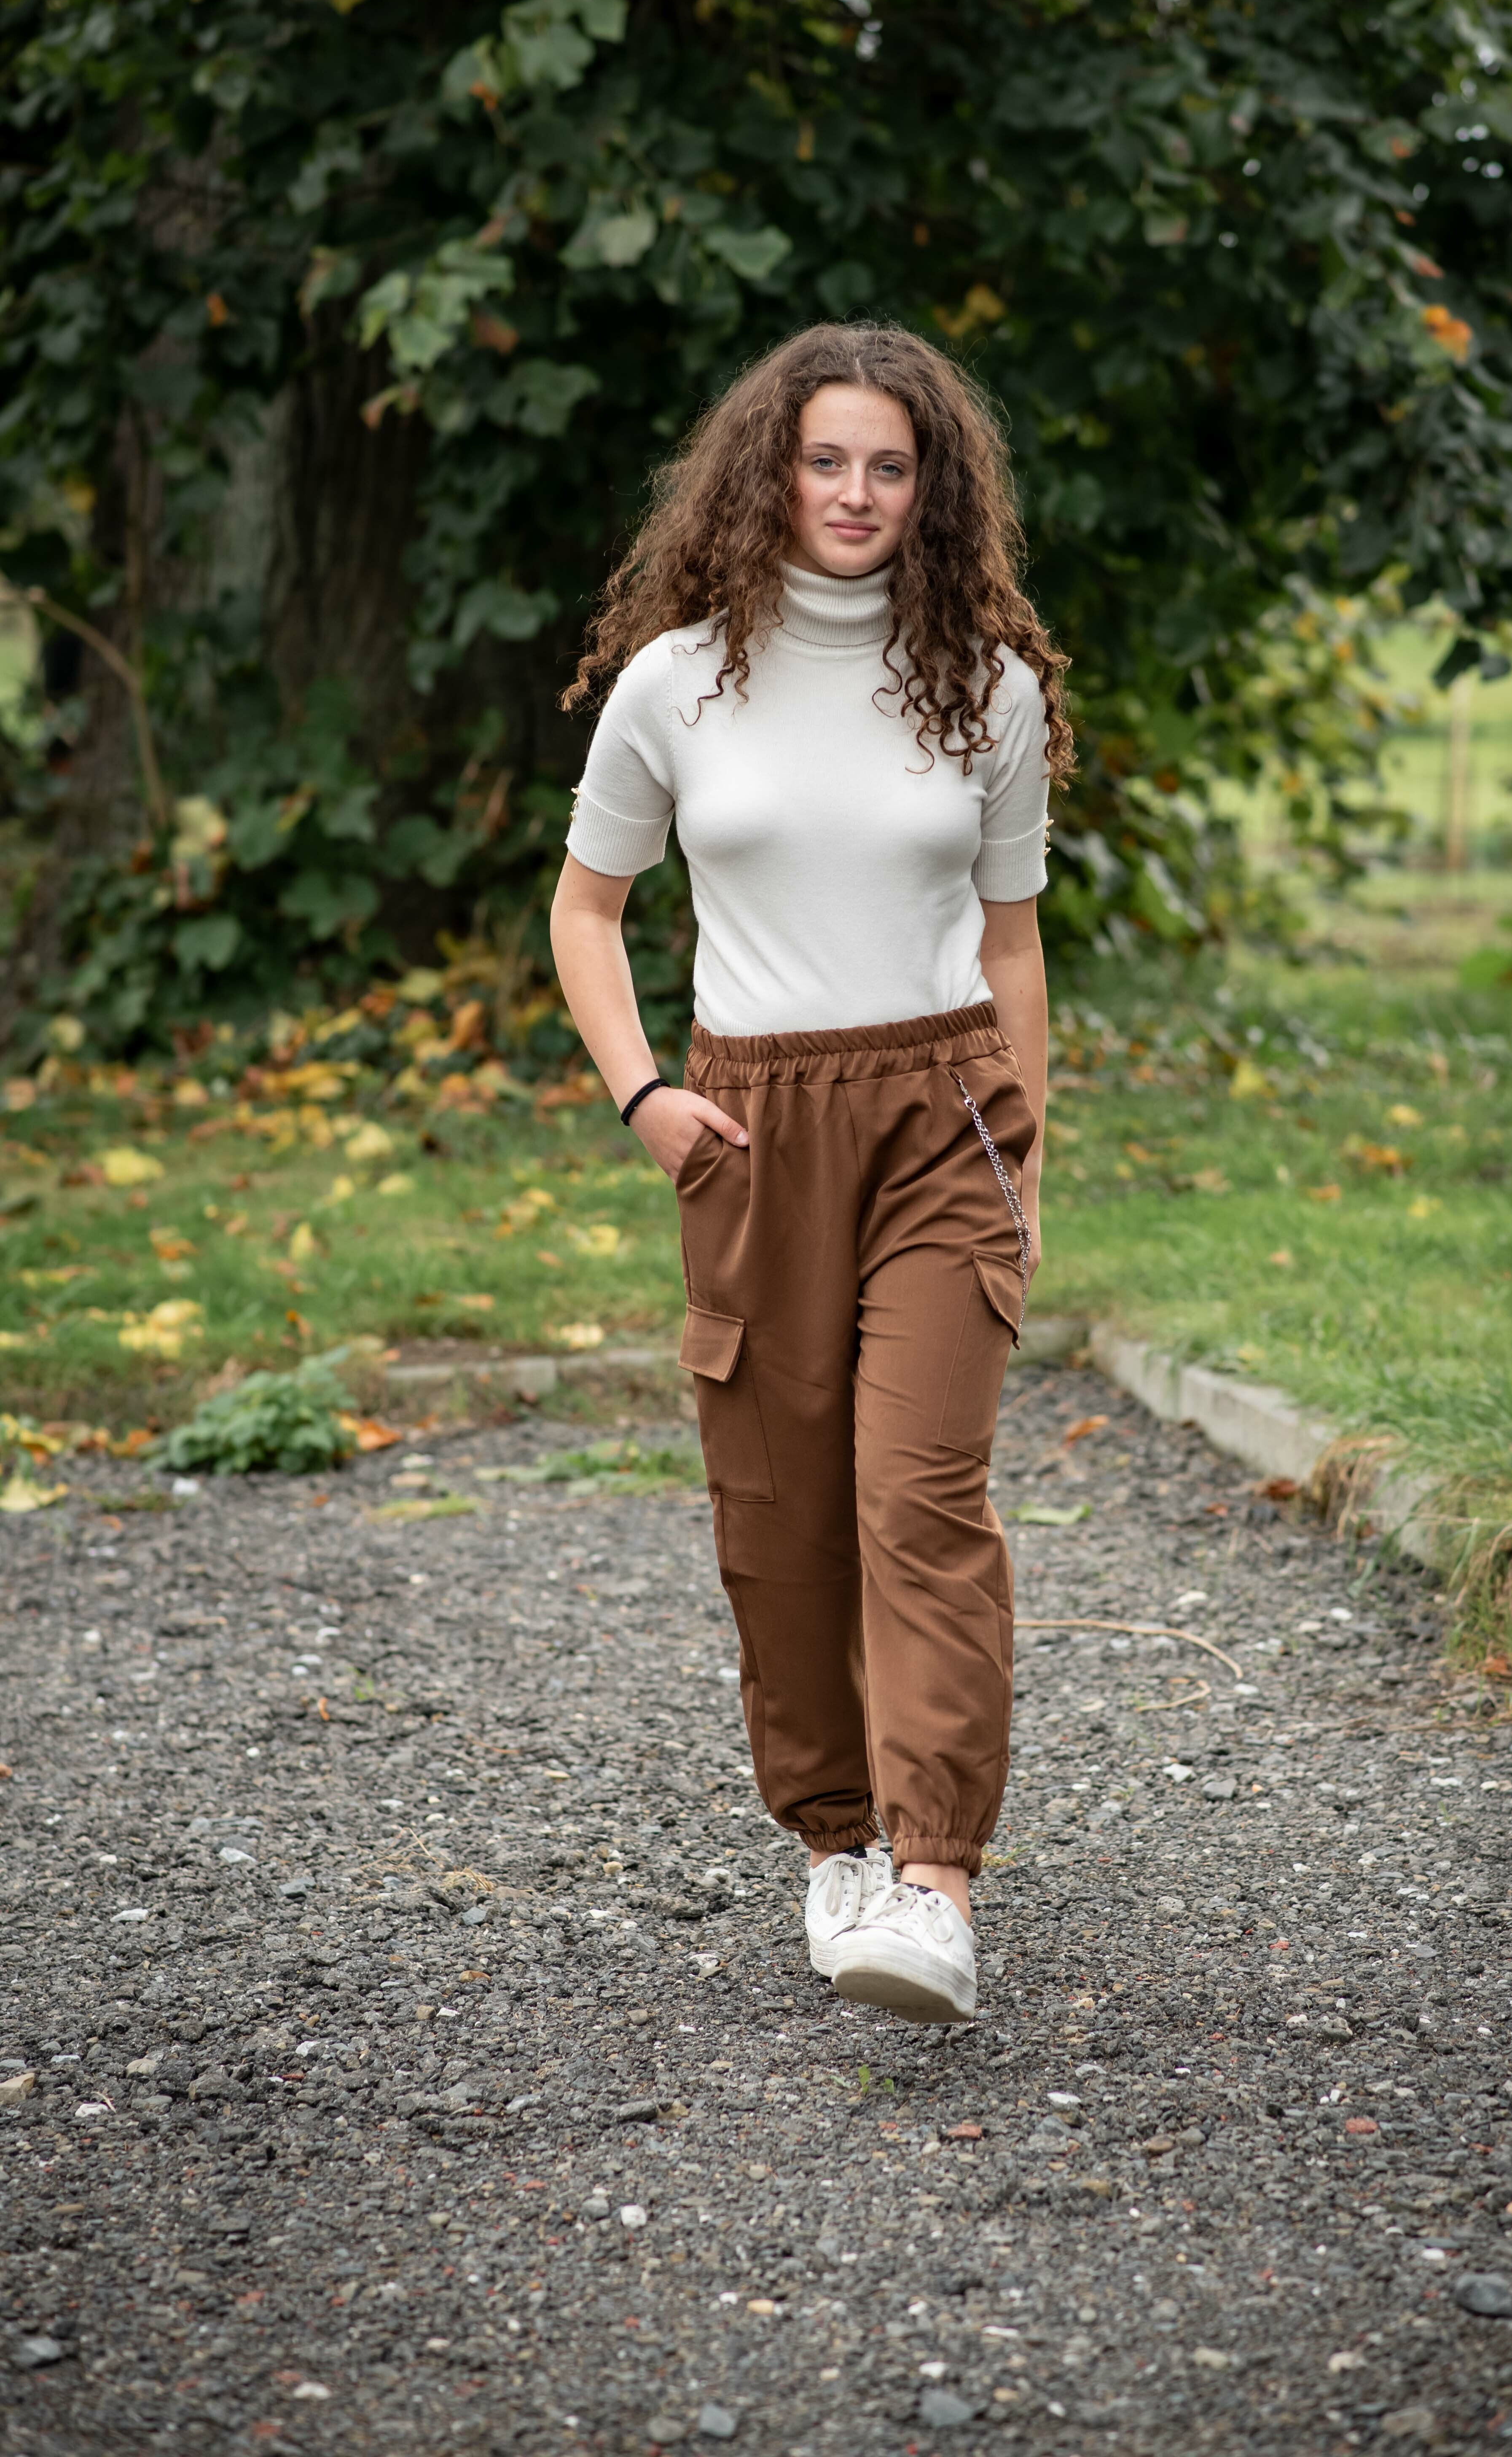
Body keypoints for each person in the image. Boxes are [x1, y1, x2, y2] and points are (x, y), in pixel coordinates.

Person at [549, 321, 1071, 2023]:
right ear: (769, 473)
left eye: (888, 467)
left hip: (942, 1118)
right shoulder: (676, 683)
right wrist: (642, 1095)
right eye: (824, 459)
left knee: (919, 1497)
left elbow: (1011, 943)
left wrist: (1027, 1158)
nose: (854, 492)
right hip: (751, 1129)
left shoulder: (987, 688)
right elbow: (586, 911)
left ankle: (936, 1881)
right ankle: (837, 1840)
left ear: (932, 491)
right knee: (780, 1517)